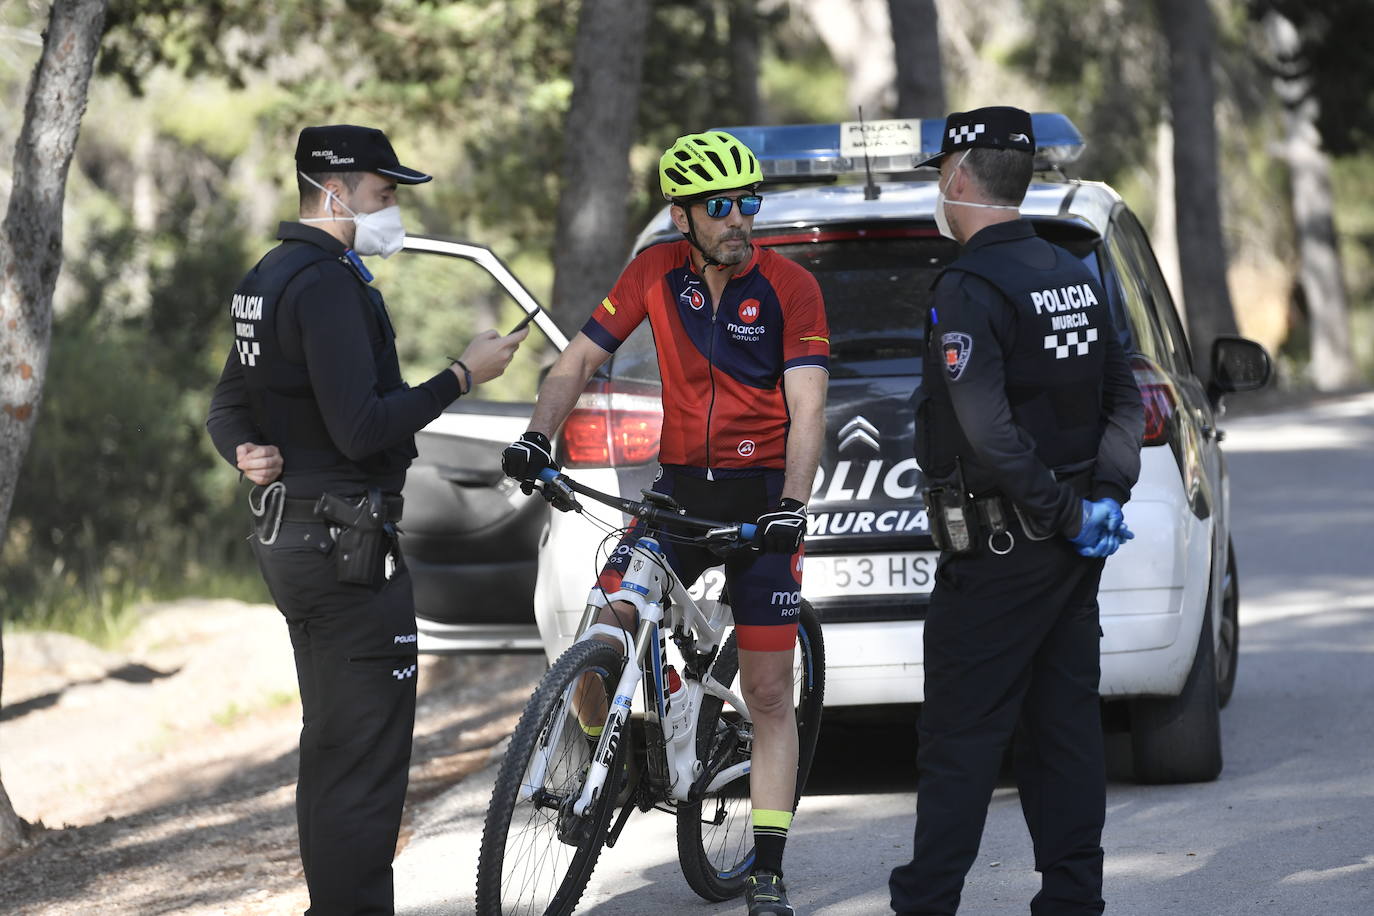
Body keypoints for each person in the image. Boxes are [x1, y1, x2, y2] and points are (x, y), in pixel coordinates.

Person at [501, 130, 829, 916]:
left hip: (761, 505)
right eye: (721, 207)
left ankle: (769, 871)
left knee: (770, 693)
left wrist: (792, 503)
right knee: (605, 624)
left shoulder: (790, 288)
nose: (740, 219)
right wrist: (536, 438)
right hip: (680, 495)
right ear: (683, 215)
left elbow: (808, 404)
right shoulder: (653, 272)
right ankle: (606, 758)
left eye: (750, 202)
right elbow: (578, 361)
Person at [206, 124, 525, 916]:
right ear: (336, 190)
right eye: (385, 195)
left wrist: (244, 448)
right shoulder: (326, 285)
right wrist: (461, 374)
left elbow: (226, 406)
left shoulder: (268, 276)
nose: (393, 212)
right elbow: (362, 428)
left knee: (334, 748)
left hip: (295, 538)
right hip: (345, 545)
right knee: (366, 761)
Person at [888, 106, 1145, 916]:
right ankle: (1073, 902)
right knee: (1063, 734)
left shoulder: (970, 286)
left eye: (940, 175)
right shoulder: (1073, 266)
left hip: (1005, 547)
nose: (940, 187)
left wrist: (1065, 511)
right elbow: (1124, 395)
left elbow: (987, 428)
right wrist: (1102, 497)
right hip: (1069, 549)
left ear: (959, 178)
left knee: (961, 742)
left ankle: (925, 903)